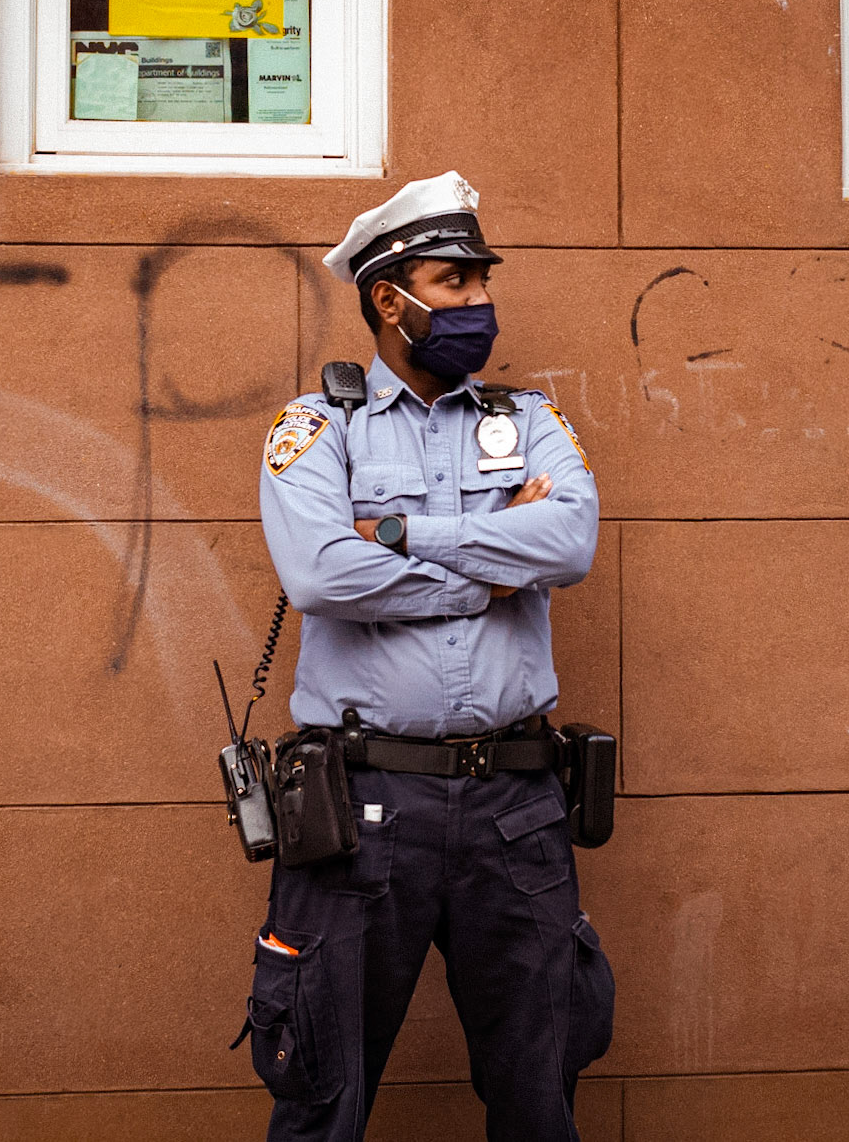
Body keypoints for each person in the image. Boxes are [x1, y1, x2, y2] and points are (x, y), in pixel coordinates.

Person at [244, 171, 614, 1142]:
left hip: (516, 811)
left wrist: (402, 536)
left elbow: (568, 543)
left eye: (481, 282)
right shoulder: (316, 430)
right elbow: (322, 573)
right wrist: (492, 569)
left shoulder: (528, 422)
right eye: (452, 283)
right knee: (322, 1095)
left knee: (539, 1094)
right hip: (364, 811)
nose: (477, 304)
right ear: (387, 298)